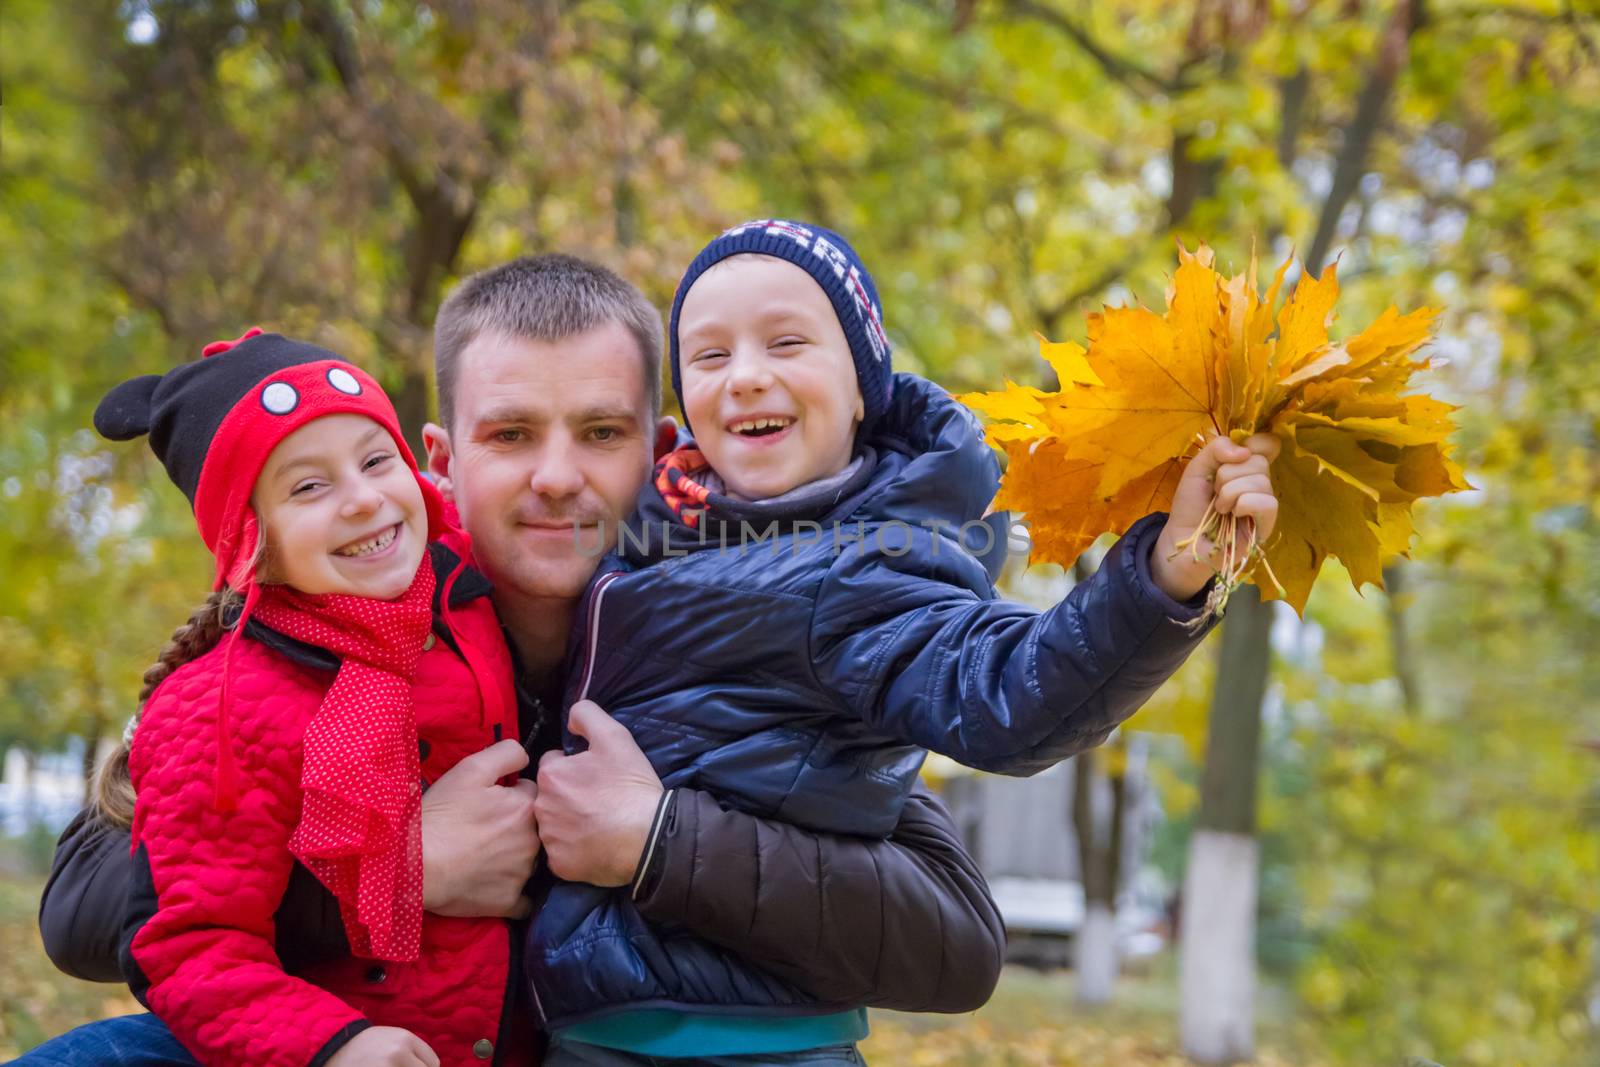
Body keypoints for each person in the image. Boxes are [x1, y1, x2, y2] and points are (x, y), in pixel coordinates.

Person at [22, 256, 1007, 1065]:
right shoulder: (338, 626)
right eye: (511, 434)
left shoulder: (741, 649)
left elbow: (957, 943)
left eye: (601, 432)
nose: (555, 475)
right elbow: (85, 907)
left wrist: (660, 836)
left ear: (663, 451)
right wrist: (395, 873)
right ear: (440, 460)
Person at [525, 219, 1282, 1064]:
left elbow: (1007, 690)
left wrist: (1164, 580)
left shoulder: (863, 566)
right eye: (708, 356)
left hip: (743, 1038)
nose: (745, 376)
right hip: (598, 1020)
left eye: (785, 342)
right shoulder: (668, 532)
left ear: (862, 387)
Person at [82, 329, 527, 1066]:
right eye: (308, 486)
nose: (363, 499)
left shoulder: (460, 599)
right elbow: (190, 942)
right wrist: (328, 1045)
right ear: (254, 540)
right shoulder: (223, 707)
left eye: (376, 460)